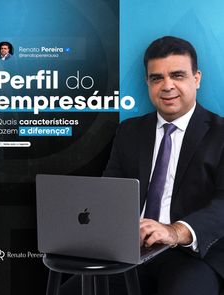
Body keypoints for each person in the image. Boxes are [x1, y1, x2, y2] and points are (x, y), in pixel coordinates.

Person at [61, 36, 224, 294]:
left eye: (178, 75)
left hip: (192, 255)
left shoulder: (220, 134)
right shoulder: (130, 131)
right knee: (71, 292)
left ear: (197, 78)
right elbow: (111, 190)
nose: (167, 86)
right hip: (132, 250)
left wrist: (175, 231)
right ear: (147, 82)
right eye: (156, 78)